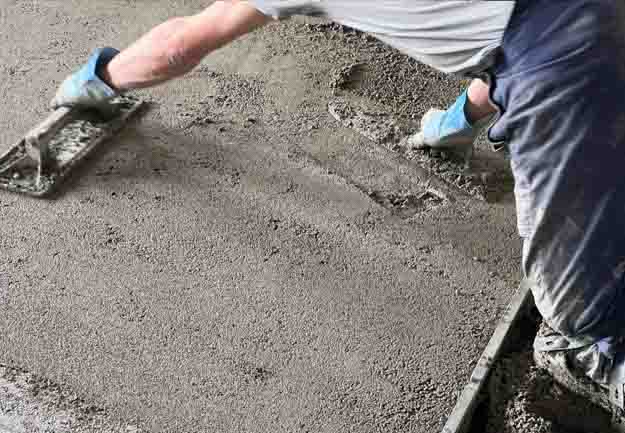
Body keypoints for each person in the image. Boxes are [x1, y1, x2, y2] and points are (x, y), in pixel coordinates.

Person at [52, 0, 625, 416]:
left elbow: (181, 45)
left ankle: (581, 346)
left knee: (573, 283)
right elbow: (524, 27)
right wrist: (459, 122)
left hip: (574, 67)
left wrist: (101, 79)